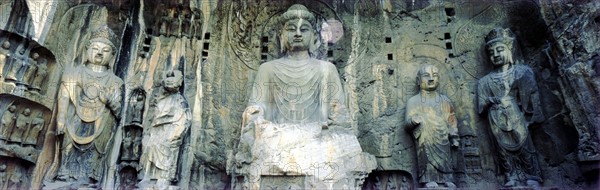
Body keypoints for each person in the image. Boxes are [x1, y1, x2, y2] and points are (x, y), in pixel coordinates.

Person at [234, 4, 373, 189]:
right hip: (278, 136)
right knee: (258, 141)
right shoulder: (267, 69)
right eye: (291, 29)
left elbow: (338, 115)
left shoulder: (326, 70)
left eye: (304, 29)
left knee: (342, 144)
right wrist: (257, 117)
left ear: (314, 36)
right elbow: (256, 108)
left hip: (317, 138)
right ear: (281, 35)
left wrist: (330, 126)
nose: (298, 33)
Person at [55, 25, 123, 186]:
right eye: (95, 48)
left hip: (101, 121)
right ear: (87, 50)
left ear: (112, 55)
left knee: (95, 148)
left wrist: (109, 101)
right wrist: (61, 118)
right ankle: (63, 172)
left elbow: (119, 112)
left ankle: (90, 176)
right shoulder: (73, 73)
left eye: (105, 50)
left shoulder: (115, 82)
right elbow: (64, 97)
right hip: (75, 116)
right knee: (68, 144)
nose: (99, 53)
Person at [477, 28, 544, 187]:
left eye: (500, 50)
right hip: (495, 119)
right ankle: (510, 176)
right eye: (492, 52)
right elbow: (480, 108)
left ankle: (533, 176)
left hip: (517, 117)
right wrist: (491, 101)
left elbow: (533, 99)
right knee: (502, 149)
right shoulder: (484, 81)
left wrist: (530, 116)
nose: (496, 55)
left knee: (524, 145)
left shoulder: (522, 72)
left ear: (510, 50)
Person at [405, 64, 459, 188]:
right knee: (426, 154)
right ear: (418, 80)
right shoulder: (413, 101)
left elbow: (452, 120)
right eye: (426, 75)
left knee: (446, 157)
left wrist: (454, 136)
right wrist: (413, 121)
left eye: (434, 75)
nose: (431, 79)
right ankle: (428, 179)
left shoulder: (445, 100)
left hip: (443, 137)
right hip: (425, 138)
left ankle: (448, 178)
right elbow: (407, 124)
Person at [141, 70, 190, 189]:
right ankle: (149, 176)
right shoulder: (160, 98)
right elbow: (153, 118)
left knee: (165, 148)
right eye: (167, 78)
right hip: (158, 130)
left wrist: (176, 133)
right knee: (150, 146)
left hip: (172, 131)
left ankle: (165, 178)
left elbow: (185, 118)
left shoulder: (179, 99)